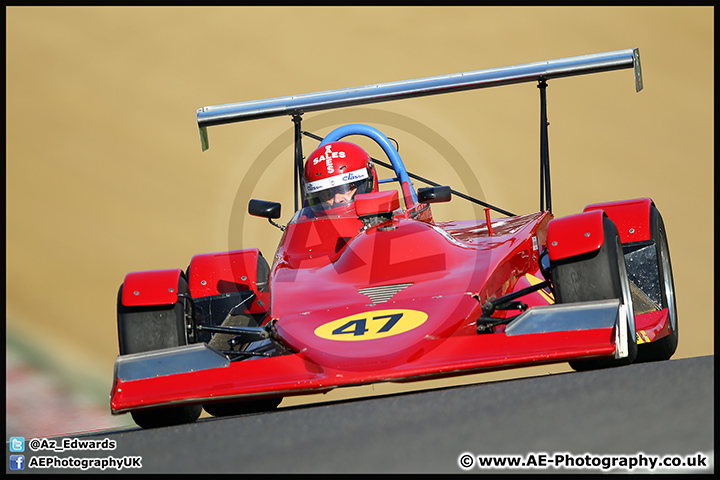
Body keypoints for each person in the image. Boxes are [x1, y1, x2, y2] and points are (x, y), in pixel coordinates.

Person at [303, 141, 378, 213]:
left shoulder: (386, 222)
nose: (337, 200)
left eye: (344, 190)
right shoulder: (306, 222)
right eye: (328, 193)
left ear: (367, 184)